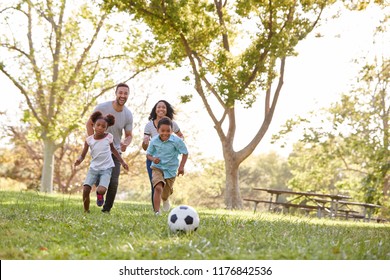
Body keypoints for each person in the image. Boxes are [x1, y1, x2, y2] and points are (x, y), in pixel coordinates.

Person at [86, 82, 133, 213]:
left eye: (125, 93)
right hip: (100, 150)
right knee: (98, 177)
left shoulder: (128, 114)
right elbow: (89, 124)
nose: (123, 95)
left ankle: (106, 210)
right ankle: (100, 193)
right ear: (116, 93)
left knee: (114, 182)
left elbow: (129, 135)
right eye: (121, 92)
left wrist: (126, 143)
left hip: (115, 150)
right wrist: (93, 142)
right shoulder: (102, 107)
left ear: (128, 95)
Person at [75, 111, 129, 213]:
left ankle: (100, 195)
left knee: (101, 190)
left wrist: (122, 162)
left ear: (106, 128)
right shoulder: (89, 140)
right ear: (94, 125)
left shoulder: (109, 137)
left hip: (106, 168)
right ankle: (86, 211)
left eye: (103, 126)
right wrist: (79, 160)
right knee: (86, 189)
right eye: (98, 125)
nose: (100, 127)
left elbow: (113, 150)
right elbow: (83, 154)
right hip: (93, 168)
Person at [142, 100, 184, 211]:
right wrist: (145, 142)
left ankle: (165, 199)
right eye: (158, 107)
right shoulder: (149, 125)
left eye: (163, 107)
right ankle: (156, 210)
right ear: (155, 109)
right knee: (156, 185)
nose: (161, 109)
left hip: (169, 160)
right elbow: (145, 148)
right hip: (154, 160)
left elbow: (181, 136)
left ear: (167, 110)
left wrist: (177, 144)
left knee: (166, 186)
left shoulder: (172, 124)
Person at [146, 117, 188, 215]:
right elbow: (148, 155)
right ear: (157, 130)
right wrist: (153, 159)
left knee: (165, 194)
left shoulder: (177, 141)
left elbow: (185, 153)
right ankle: (157, 211)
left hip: (171, 169)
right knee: (158, 187)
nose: (165, 133)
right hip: (157, 167)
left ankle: (165, 199)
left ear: (172, 130)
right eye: (162, 130)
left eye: (168, 131)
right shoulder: (154, 141)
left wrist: (181, 167)